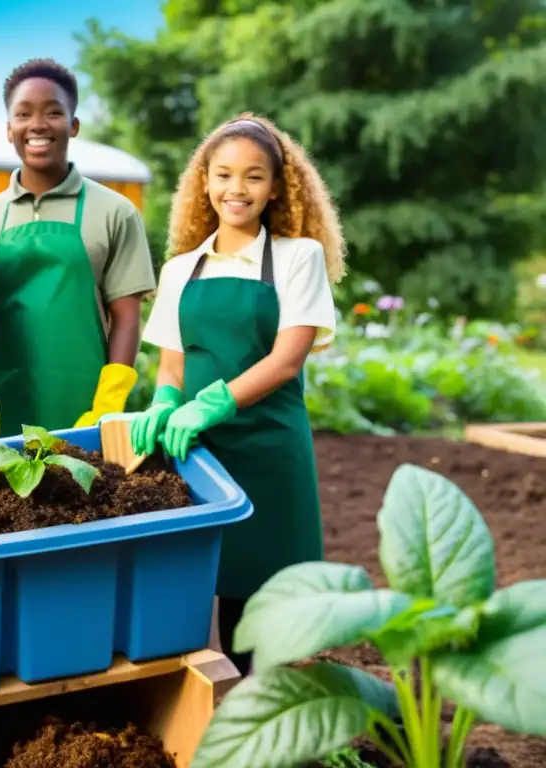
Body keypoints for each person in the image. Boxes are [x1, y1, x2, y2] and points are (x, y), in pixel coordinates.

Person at [131, 113, 347, 676]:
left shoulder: (299, 259)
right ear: (204, 182)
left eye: (254, 177)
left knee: (264, 596)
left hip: (270, 450)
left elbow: (286, 359)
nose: (237, 189)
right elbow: (172, 366)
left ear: (276, 187)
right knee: (201, 584)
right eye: (224, 175)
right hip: (199, 450)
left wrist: (217, 400)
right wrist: (165, 403)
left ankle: (264, 722)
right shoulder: (181, 269)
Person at [0, 58, 157, 438]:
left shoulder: (115, 212)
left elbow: (127, 316)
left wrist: (107, 404)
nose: (37, 124)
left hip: (82, 405)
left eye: (53, 112)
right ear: (9, 129)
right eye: (23, 114)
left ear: (73, 125)